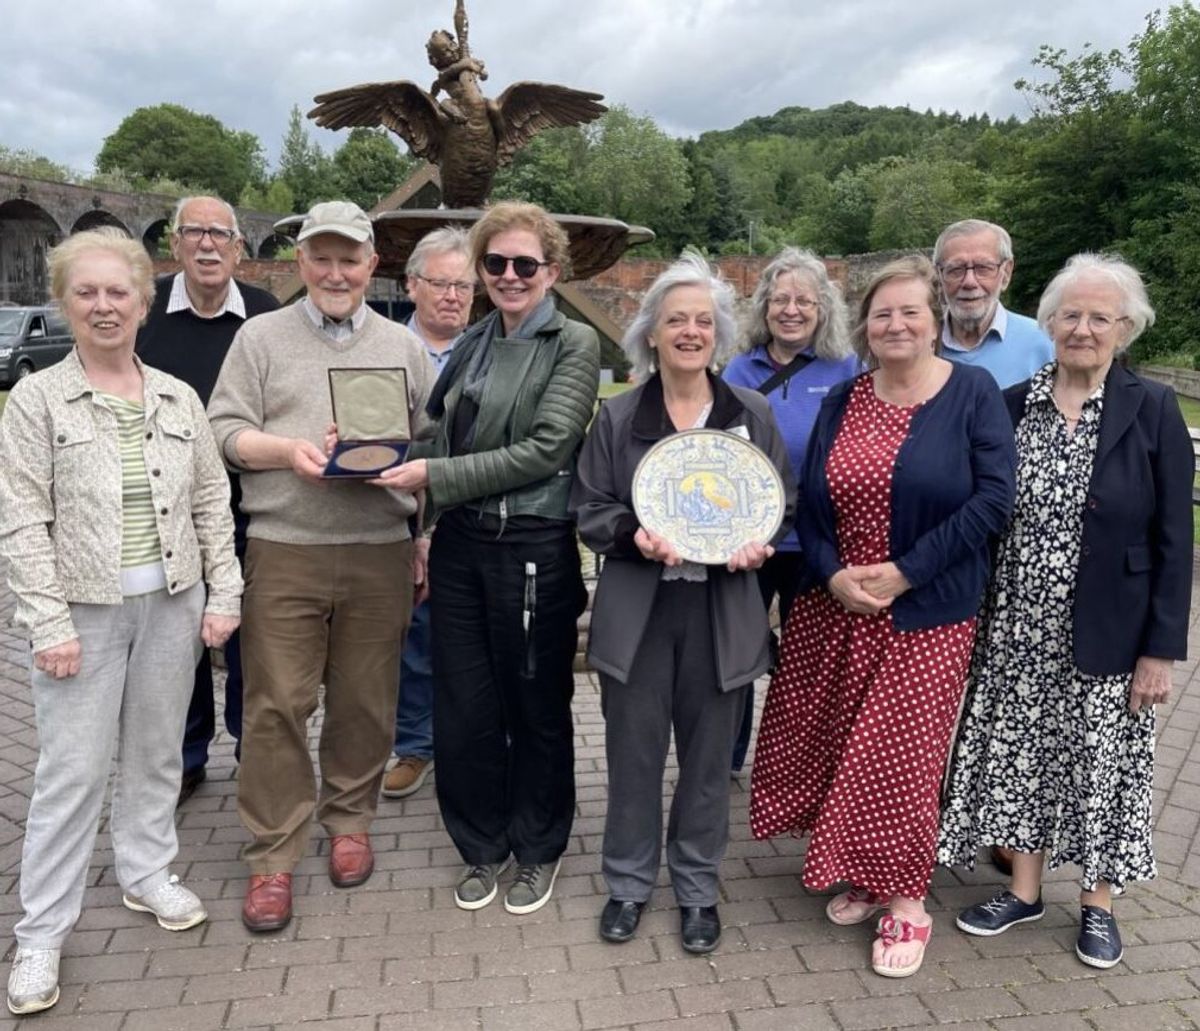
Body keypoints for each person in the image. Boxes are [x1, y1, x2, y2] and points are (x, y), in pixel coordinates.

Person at [748, 255, 1016, 978]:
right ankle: (866, 873)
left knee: (900, 753)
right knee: (844, 739)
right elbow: (815, 499)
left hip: (926, 607)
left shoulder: (973, 392)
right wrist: (832, 572)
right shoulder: (846, 397)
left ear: (935, 321)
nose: (895, 324)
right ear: (864, 326)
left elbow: (992, 500)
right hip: (836, 604)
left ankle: (907, 900)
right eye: (882, 313)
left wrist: (905, 571)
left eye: (910, 312)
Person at [0, 229, 241, 1015]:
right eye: (86, 292)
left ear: (143, 301)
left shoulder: (176, 396)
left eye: (118, 292)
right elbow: (20, 520)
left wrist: (224, 593)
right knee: (70, 773)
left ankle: (145, 872)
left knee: (155, 753)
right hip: (83, 610)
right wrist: (47, 622)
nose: (104, 306)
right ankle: (40, 932)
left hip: (170, 601)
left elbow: (212, 501)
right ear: (66, 302)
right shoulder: (38, 399)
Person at [938, 254, 1192, 970]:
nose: (1083, 328)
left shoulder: (1153, 410)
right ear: (1048, 323)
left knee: (1103, 765)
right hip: (1015, 626)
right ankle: (1023, 889)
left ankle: (1098, 903)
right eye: (1070, 315)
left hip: (1114, 630)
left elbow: (1175, 542)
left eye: (1099, 317)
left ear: (1125, 328)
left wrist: (1159, 649)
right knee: (1020, 758)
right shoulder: (1010, 403)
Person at [207, 201, 437, 933]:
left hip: (378, 548)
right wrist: (290, 452)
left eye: (350, 258)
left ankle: (349, 820)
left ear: (373, 265)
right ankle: (273, 852)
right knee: (276, 702)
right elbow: (224, 432)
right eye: (322, 258)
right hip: (286, 545)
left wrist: (423, 532)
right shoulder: (260, 337)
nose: (336, 272)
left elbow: (429, 445)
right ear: (301, 262)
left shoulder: (403, 346)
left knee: (367, 699)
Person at [571, 251, 793, 954]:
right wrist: (634, 537)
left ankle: (697, 888)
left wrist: (762, 543)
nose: (690, 331)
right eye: (676, 320)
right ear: (652, 333)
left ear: (718, 334)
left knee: (705, 761)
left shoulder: (749, 414)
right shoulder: (620, 416)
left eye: (703, 320)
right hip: (641, 611)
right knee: (633, 754)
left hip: (721, 612)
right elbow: (590, 509)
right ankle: (629, 883)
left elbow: (778, 506)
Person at [385, 200, 600, 915]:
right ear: (482, 271)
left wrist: (435, 478)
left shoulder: (572, 344)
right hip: (460, 548)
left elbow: (547, 448)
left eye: (525, 264)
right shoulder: (475, 340)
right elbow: (437, 433)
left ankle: (538, 848)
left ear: (551, 271)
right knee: (465, 706)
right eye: (496, 263)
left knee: (536, 702)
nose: (510, 276)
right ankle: (481, 844)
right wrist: (371, 455)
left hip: (531, 547)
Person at [136, 195, 279, 804]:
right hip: (168, 511)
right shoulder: (147, 316)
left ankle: (255, 752)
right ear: (175, 244)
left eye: (221, 233)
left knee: (254, 642)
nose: (207, 244)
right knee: (178, 648)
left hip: (250, 508)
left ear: (240, 248)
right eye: (194, 232)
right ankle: (188, 756)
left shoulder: (267, 316)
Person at [721, 246, 859, 773]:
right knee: (737, 650)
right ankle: (728, 756)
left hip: (818, 542)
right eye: (780, 299)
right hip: (752, 537)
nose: (792, 310)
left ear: (823, 308)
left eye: (804, 300)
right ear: (764, 307)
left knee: (809, 660)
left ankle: (797, 763)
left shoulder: (846, 366)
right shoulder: (741, 366)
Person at [382, 226, 475, 799]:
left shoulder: (491, 347)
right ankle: (414, 744)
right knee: (412, 636)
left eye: (463, 285)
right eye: (440, 283)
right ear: (412, 285)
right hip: (401, 514)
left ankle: (468, 742)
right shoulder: (386, 348)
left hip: (475, 513)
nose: (452, 295)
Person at [936, 219, 1054, 388]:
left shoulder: (1043, 344)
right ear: (939, 276)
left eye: (983, 268)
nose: (969, 282)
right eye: (955, 269)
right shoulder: (921, 344)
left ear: (1006, 273)